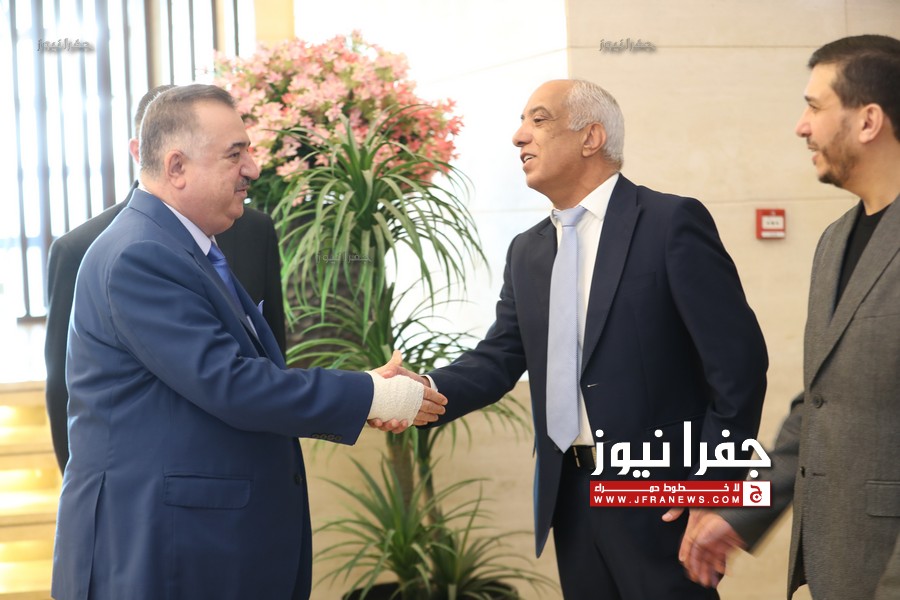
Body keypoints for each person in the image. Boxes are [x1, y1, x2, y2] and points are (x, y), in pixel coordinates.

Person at [50, 84, 447, 600]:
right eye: (235, 154)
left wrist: (366, 391)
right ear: (176, 167)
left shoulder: (181, 244)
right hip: (165, 549)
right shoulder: (140, 255)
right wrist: (372, 394)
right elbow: (231, 383)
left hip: (199, 543)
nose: (254, 169)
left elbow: (250, 374)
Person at [384, 79, 768, 598]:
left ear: (591, 137)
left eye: (538, 120)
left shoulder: (669, 223)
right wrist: (423, 390)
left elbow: (738, 367)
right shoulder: (527, 250)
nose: (519, 136)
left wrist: (711, 484)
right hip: (570, 498)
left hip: (661, 499)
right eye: (522, 122)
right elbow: (500, 357)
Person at [680, 34, 900, 600]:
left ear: (868, 121)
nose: (802, 127)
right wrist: (741, 510)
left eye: (814, 107)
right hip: (836, 565)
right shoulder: (834, 242)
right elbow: (823, 403)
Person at [44, 84, 287, 474]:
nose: (251, 169)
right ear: (155, 156)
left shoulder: (252, 229)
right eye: (233, 154)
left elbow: (270, 350)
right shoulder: (89, 247)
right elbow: (66, 392)